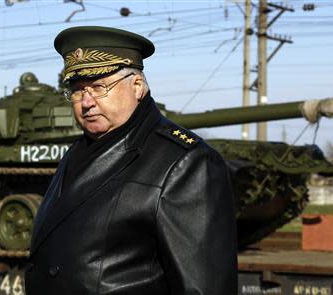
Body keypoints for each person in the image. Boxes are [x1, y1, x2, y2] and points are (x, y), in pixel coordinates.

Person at [25, 26, 237, 295]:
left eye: (99, 87)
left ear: (137, 86)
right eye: (77, 90)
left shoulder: (185, 162)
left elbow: (204, 287)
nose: (86, 102)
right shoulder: (79, 151)